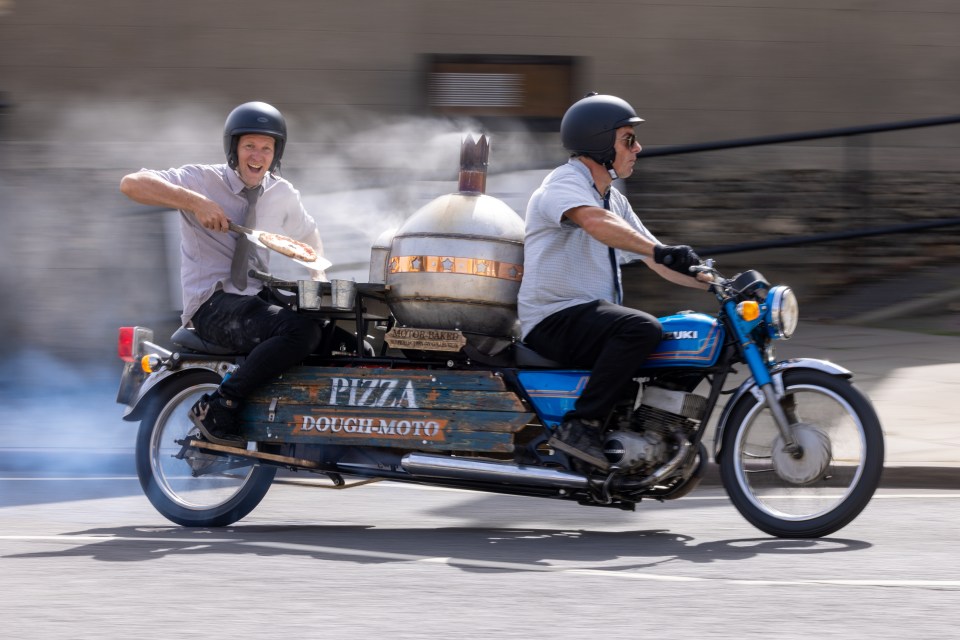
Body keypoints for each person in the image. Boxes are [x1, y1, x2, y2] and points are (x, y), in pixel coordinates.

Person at [518, 93, 711, 472]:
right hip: (552, 319)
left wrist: (721, 285)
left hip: (587, 321)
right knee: (640, 328)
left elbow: (656, 258)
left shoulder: (613, 200)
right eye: (628, 139)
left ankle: (650, 436)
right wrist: (660, 252)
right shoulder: (563, 184)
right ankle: (580, 427)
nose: (637, 148)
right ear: (600, 141)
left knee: (684, 340)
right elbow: (596, 224)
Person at [120, 101, 326, 447]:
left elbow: (309, 235)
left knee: (330, 332)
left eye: (266, 147)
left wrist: (317, 278)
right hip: (211, 306)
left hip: (257, 300)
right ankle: (219, 406)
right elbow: (132, 184)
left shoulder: (282, 192)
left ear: (276, 153)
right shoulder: (202, 179)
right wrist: (195, 202)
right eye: (249, 146)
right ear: (234, 148)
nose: (257, 155)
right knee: (298, 331)